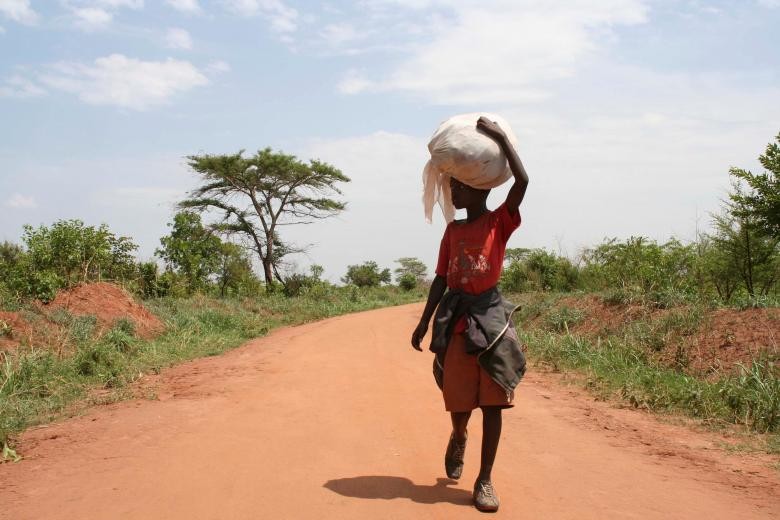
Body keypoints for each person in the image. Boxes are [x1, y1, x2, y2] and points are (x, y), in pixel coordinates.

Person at [411, 115, 529, 513]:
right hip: (457, 323)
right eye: (452, 185)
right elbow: (440, 280)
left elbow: (523, 182)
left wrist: (498, 137)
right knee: (459, 404)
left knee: (495, 403)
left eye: (459, 185)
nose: (453, 192)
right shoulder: (453, 232)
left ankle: (484, 480)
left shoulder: (500, 221)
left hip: (491, 321)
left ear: (478, 188)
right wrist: (424, 322)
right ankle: (458, 435)